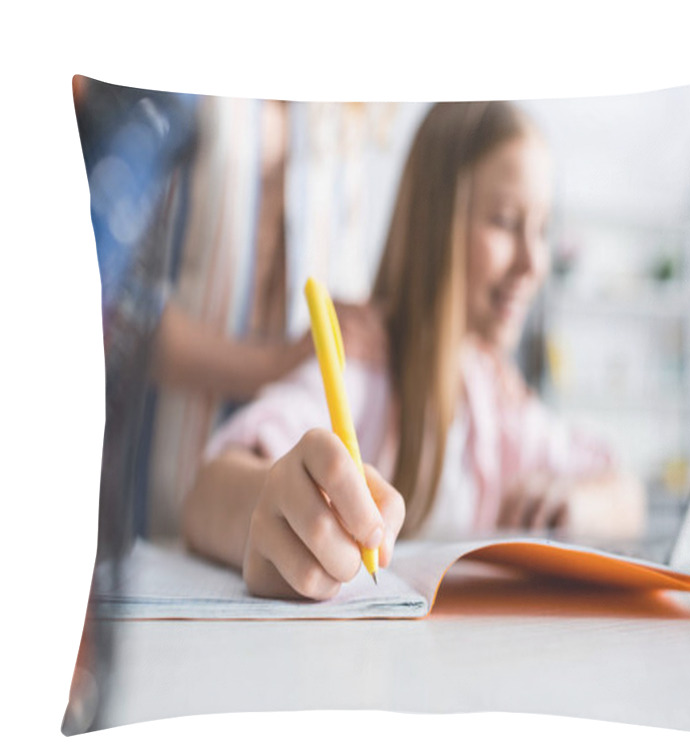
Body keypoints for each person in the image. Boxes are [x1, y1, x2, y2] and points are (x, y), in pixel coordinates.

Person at [181, 101, 645, 601]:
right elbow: (207, 494)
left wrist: (576, 504)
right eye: (507, 223)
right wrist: (267, 510)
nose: (534, 263)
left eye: (542, 230)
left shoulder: (494, 394)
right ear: (436, 221)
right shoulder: (366, 362)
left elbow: (627, 491)